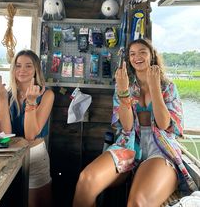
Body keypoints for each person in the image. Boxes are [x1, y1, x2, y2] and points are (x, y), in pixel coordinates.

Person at [73, 38, 197, 207]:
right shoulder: (126, 86)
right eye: (132, 54)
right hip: (130, 145)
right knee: (85, 181)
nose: (136, 56)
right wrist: (123, 92)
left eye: (142, 52)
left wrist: (154, 88)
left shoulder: (168, 87)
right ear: (129, 60)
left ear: (151, 56)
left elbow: (163, 124)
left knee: (137, 203)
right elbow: (127, 127)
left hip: (160, 149)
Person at [0, 49, 54, 207]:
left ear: (36, 70)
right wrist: (1, 99)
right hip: (11, 156)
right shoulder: (8, 94)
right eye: (18, 66)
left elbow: (31, 135)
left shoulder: (47, 95)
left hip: (35, 157)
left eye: (28, 66)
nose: (22, 70)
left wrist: (31, 102)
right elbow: (5, 135)